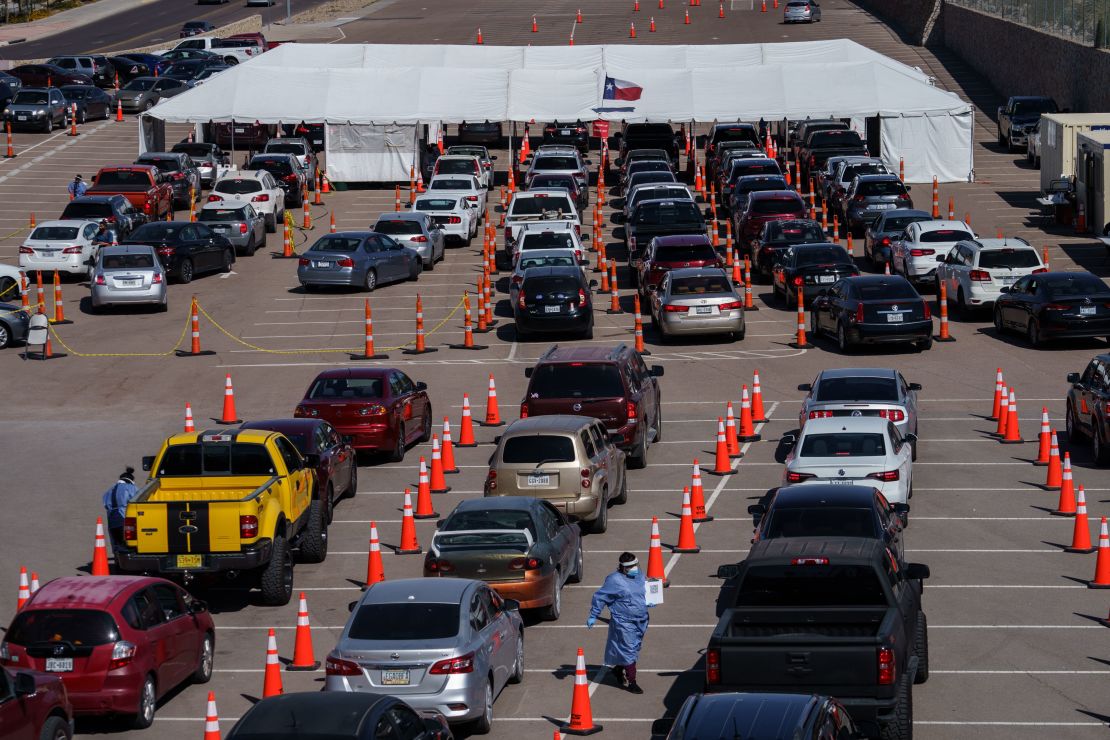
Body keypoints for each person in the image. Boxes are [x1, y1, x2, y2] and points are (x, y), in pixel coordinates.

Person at [587, 551, 651, 694]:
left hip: (641, 619)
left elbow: (643, 590)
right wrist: (594, 615)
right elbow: (600, 597)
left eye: (636, 564)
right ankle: (632, 681)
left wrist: (650, 600)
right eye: (631, 566)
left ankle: (618, 669)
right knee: (628, 649)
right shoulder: (614, 580)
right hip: (623, 621)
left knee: (635, 648)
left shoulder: (639, 575)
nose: (635, 568)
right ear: (623, 568)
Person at [101, 467, 138, 551]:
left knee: (117, 544)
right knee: (129, 545)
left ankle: (118, 561)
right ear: (131, 481)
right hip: (125, 518)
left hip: (112, 519)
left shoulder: (109, 490)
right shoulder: (131, 488)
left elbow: (106, 505)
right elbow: (139, 500)